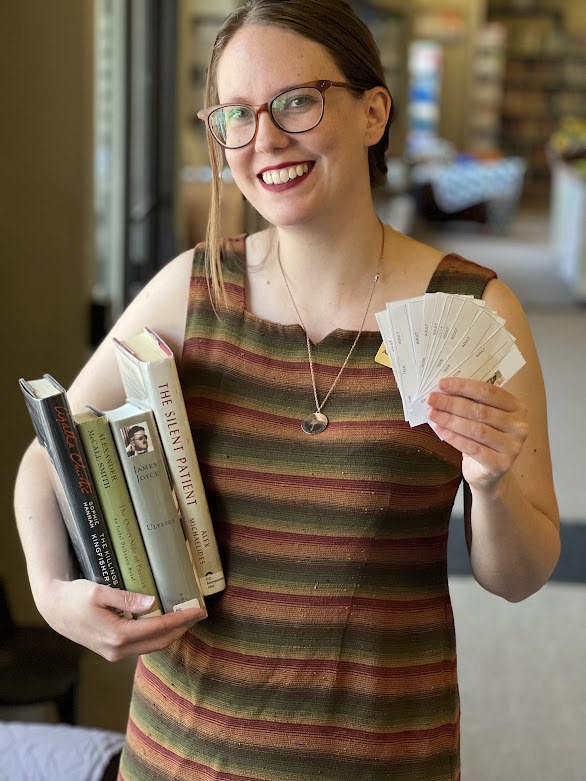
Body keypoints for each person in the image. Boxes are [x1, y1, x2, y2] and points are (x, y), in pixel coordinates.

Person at [14, 1, 560, 779]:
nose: (264, 138)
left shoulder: (473, 311)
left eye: (296, 101)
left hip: (384, 760)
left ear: (374, 111)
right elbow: (48, 455)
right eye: (235, 113)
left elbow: (521, 575)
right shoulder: (188, 291)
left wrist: (496, 484)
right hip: (176, 758)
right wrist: (50, 591)